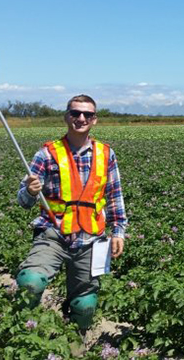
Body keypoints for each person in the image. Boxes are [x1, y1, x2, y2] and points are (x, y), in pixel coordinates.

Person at [15, 94, 127, 339]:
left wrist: (118, 231)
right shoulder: (47, 154)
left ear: (95, 120)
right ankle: (24, 330)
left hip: (91, 237)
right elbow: (22, 201)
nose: (81, 118)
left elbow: (115, 195)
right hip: (53, 233)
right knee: (31, 282)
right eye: (75, 113)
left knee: (85, 304)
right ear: (66, 116)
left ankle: (76, 339)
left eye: (87, 114)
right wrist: (30, 192)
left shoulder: (106, 154)